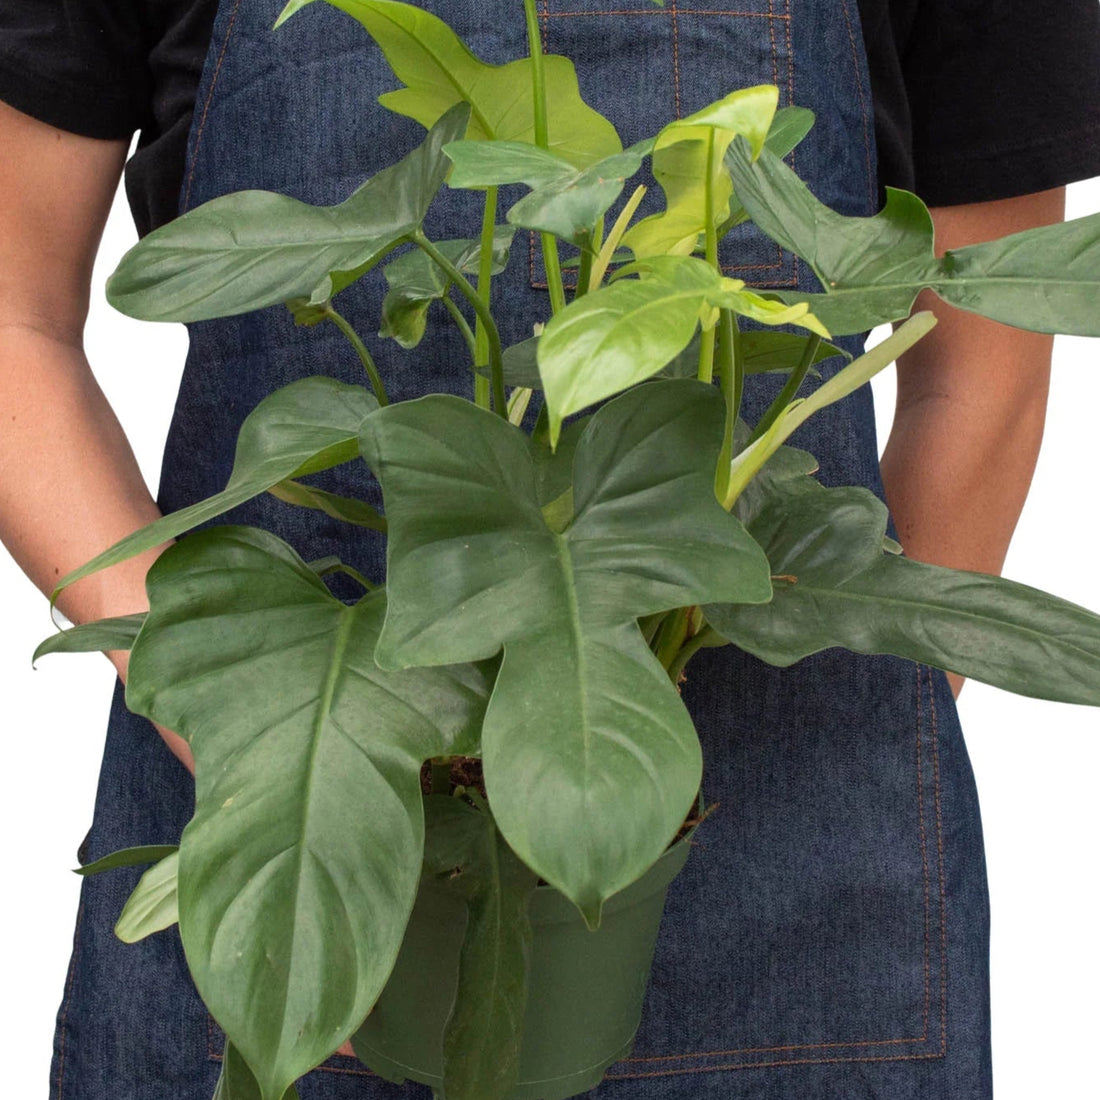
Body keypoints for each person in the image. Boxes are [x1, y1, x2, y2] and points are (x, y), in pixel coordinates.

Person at [2, 1, 1099, 1097]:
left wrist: (865, 696)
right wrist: (264, 752)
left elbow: (978, 373)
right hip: (299, 840)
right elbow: (16, 325)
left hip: (801, 876)